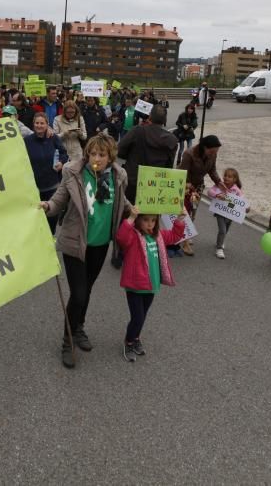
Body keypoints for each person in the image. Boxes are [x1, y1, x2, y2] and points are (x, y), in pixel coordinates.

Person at [40, 134, 130, 369]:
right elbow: (58, 201)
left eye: (102, 155)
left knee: (87, 290)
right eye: (93, 154)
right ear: (87, 153)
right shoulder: (73, 173)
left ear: (111, 157)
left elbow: (124, 204)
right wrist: (46, 206)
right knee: (78, 294)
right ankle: (67, 341)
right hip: (74, 243)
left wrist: (141, 212)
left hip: (100, 245)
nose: (96, 159)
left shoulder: (119, 176)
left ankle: (79, 327)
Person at [116, 205, 186, 362]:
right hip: (135, 286)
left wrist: (180, 219)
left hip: (151, 285)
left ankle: (135, 338)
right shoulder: (133, 237)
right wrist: (131, 217)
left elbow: (175, 236)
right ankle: (128, 341)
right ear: (139, 221)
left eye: (153, 221)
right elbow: (121, 237)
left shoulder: (158, 236)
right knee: (138, 317)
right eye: (146, 220)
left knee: (143, 315)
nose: (150, 224)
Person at [118, 105, 178, 207]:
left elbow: (120, 150)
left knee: (129, 216)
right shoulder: (172, 139)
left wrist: (131, 156)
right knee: (150, 218)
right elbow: (169, 166)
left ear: (150, 117)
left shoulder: (138, 131)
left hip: (133, 181)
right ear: (165, 120)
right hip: (155, 186)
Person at [25, 114, 68, 235]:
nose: (39, 125)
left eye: (42, 123)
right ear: (33, 124)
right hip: (34, 188)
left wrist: (61, 162)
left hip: (52, 185)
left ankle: (51, 238)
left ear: (47, 125)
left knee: (52, 216)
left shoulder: (53, 138)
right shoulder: (27, 141)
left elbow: (64, 153)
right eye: (37, 123)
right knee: (36, 217)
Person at [207, 168, 248, 259]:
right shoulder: (220, 185)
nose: (226, 178)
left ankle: (220, 242)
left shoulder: (236, 190)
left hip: (230, 213)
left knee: (226, 229)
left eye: (229, 177)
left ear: (235, 179)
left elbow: (242, 201)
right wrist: (217, 195)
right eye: (225, 175)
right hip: (220, 212)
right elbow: (209, 192)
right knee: (222, 230)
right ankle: (219, 248)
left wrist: (246, 208)